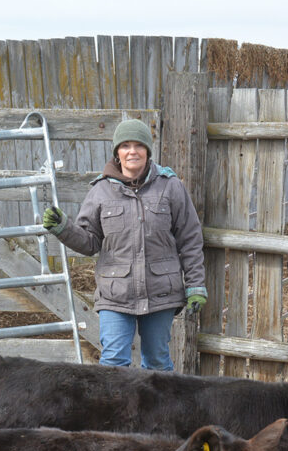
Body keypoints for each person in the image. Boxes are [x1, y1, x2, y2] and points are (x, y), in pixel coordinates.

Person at [42, 118, 206, 371]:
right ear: (117, 152)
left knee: (157, 363)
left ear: (148, 151)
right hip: (115, 293)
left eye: (139, 145)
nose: (132, 151)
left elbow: (190, 239)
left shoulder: (170, 187)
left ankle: (160, 413)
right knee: (113, 365)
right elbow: (89, 243)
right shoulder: (100, 191)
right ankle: (113, 413)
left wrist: (195, 285)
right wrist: (64, 229)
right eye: (126, 145)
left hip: (161, 292)